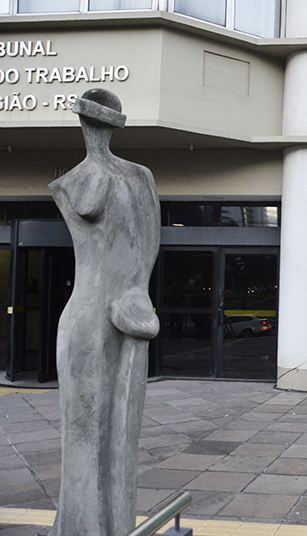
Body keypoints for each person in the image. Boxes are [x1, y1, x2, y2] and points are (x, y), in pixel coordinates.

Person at [49, 88, 160, 536]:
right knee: (84, 431)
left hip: (126, 313)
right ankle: (81, 526)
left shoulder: (140, 177)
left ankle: (112, 524)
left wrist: (136, 296)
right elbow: (88, 204)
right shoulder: (69, 182)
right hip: (84, 319)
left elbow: (148, 245)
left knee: (121, 432)